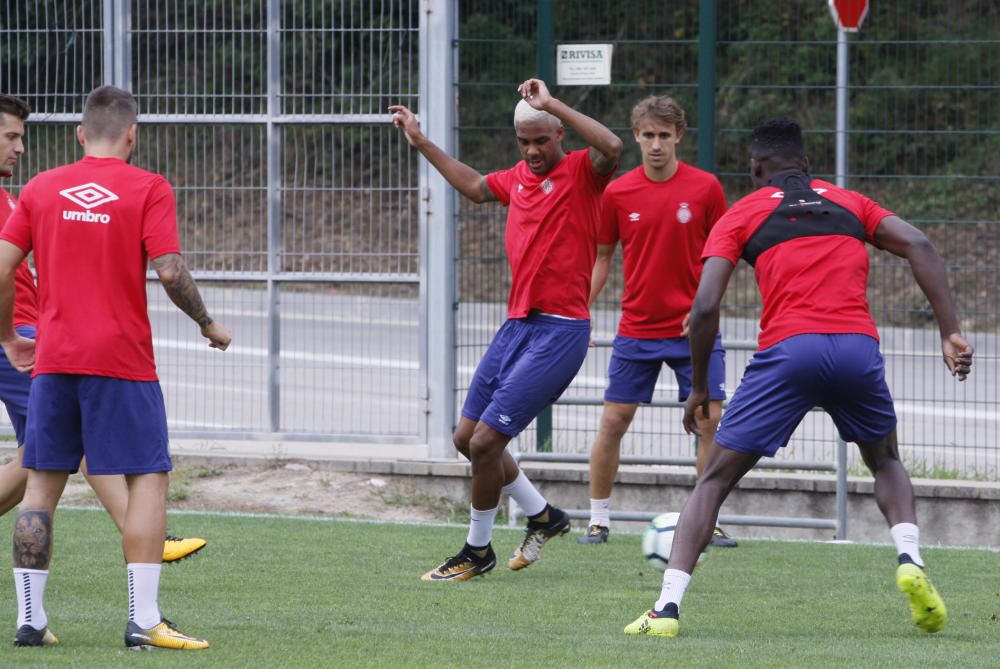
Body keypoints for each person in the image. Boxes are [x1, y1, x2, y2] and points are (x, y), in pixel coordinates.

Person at [625, 118, 973, 638]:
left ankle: (666, 611)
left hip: (790, 352)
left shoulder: (742, 213)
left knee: (714, 480)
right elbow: (919, 244)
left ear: (754, 169)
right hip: (857, 348)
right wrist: (949, 332)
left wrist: (698, 386)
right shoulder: (852, 204)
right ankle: (909, 558)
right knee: (885, 461)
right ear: (807, 165)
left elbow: (703, 309)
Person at [0, 86, 232, 649]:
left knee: (40, 489)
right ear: (132, 135)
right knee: (149, 476)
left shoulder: (40, 187)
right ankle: (145, 620)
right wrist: (207, 324)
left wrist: (8, 336)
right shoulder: (148, 186)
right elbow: (172, 273)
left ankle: (30, 620)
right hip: (122, 361)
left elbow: (2, 266)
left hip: (54, 360)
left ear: (81, 135)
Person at [390, 78, 622, 581]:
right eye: (526, 142)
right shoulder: (517, 178)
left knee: (485, 443)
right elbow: (475, 187)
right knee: (466, 437)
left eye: (543, 139)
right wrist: (422, 141)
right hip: (517, 325)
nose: (535, 151)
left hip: (561, 331)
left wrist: (551, 103)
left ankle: (477, 550)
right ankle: (544, 515)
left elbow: (612, 146)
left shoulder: (583, 171)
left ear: (560, 134)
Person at [580, 96, 736, 548]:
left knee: (711, 421)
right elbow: (603, 256)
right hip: (637, 328)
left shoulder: (706, 188)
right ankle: (598, 519)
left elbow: (722, 257)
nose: (655, 145)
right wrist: (583, 311)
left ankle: (707, 520)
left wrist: (705, 306)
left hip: (694, 330)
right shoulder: (618, 192)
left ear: (678, 137)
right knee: (614, 420)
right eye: (647, 135)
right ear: (635, 137)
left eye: (664, 136)